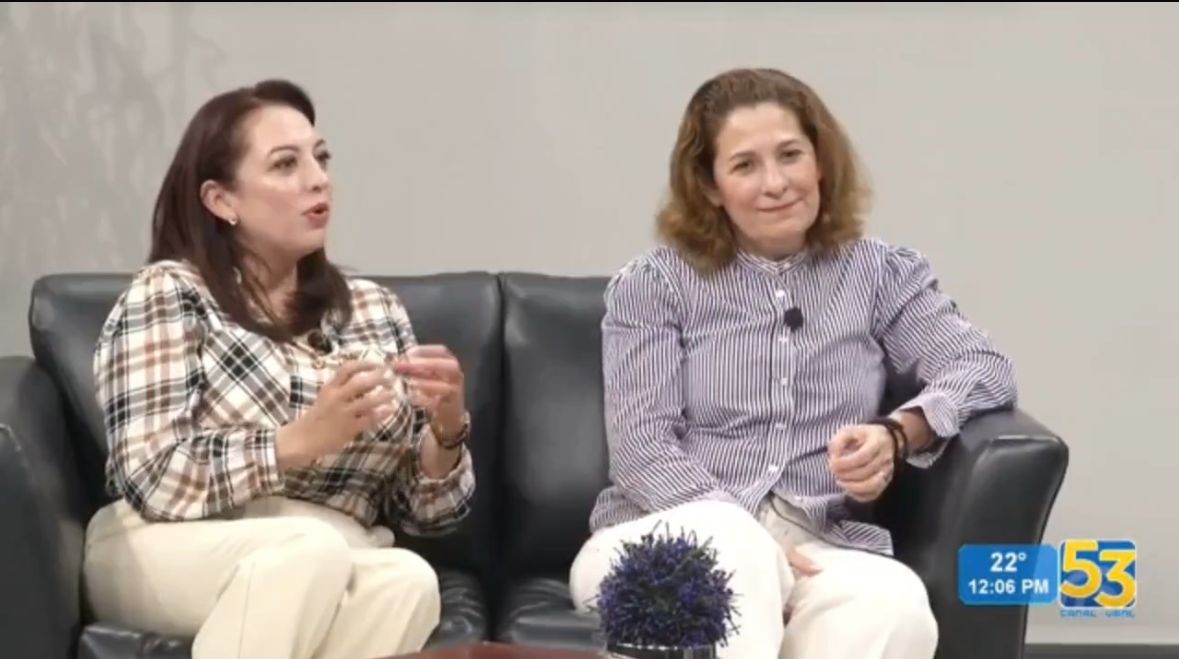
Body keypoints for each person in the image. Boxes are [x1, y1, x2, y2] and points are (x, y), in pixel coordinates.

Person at [569, 67, 1017, 659]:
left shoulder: (880, 274)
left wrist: (898, 433)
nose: (776, 183)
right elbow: (641, 447)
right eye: (744, 165)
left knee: (895, 603)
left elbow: (982, 364)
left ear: (820, 162)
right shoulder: (655, 285)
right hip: (666, 535)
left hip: (816, 546)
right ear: (709, 186)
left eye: (790, 155)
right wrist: (750, 542)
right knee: (734, 551)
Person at [83, 79, 475, 659]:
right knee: (308, 551)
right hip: (166, 543)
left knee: (408, 582)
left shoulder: (374, 311)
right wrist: (297, 442)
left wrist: (446, 429)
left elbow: (422, 513)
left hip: (333, 550)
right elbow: (150, 476)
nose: (318, 180)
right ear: (222, 200)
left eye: (321, 159)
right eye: (285, 165)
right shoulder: (170, 294)